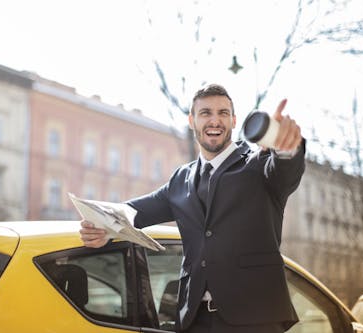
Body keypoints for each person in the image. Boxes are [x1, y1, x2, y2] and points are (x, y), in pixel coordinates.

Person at [80, 84, 304, 333]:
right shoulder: (180, 179)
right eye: (206, 113)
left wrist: (287, 148)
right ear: (192, 120)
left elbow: (286, 171)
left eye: (223, 113)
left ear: (233, 120)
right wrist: (100, 225)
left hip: (256, 319)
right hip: (193, 320)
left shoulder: (259, 166)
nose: (215, 120)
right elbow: (134, 212)